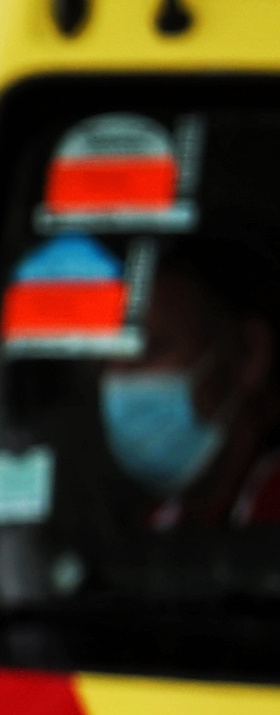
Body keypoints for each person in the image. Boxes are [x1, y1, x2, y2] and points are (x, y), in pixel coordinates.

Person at [108, 223, 279, 537]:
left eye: (146, 352)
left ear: (249, 354)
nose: (116, 382)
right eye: (107, 359)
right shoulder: (161, 527)